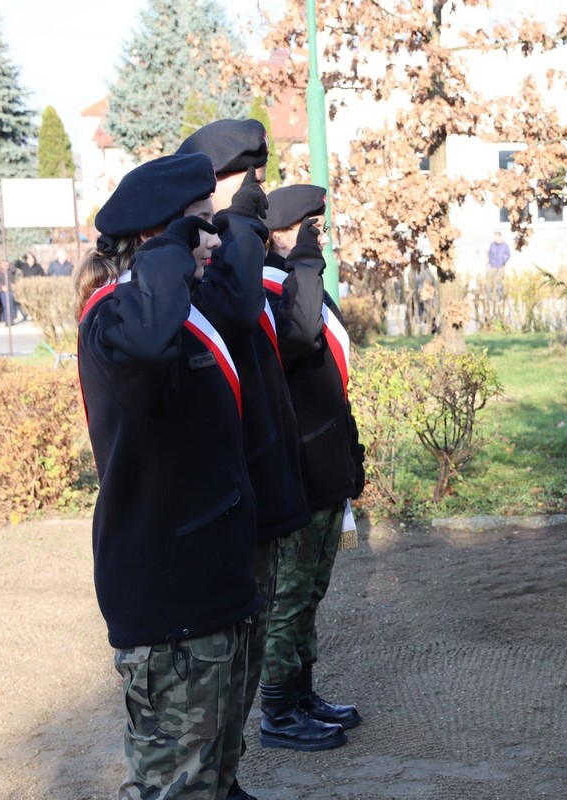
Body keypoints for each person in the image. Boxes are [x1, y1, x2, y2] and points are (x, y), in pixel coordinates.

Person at [74, 152, 262, 800]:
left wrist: (213, 229)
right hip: (169, 602)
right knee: (175, 788)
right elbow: (148, 346)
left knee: (214, 778)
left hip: (210, 586)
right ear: (159, 236)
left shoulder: (177, 305)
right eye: (200, 224)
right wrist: (167, 247)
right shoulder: (117, 318)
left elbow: (242, 304)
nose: (212, 238)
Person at [176, 119, 320, 800]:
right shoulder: (202, 266)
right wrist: (236, 224)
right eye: (245, 182)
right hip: (223, 507)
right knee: (221, 670)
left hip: (259, 491)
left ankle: (227, 781)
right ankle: (217, 780)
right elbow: (234, 310)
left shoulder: (234, 251)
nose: (258, 193)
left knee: (246, 658)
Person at [260, 184, 366, 753]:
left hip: (324, 468)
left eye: (318, 229)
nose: (318, 238)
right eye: (309, 228)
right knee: (290, 598)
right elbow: (298, 338)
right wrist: (302, 259)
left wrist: (350, 456)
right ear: (280, 234)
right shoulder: (268, 286)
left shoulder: (302, 284)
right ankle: (278, 712)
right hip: (297, 472)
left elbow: (331, 380)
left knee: (311, 593)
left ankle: (301, 695)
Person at [486, 230, 510, 304]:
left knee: (499, 283)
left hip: (500, 266)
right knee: (490, 282)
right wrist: (491, 261)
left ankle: (500, 298)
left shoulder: (504, 245)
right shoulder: (492, 245)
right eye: (495, 237)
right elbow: (489, 253)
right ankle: (489, 298)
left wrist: (503, 261)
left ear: (500, 237)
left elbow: (508, 255)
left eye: (497, 237)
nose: (496, 238)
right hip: (492, 266)